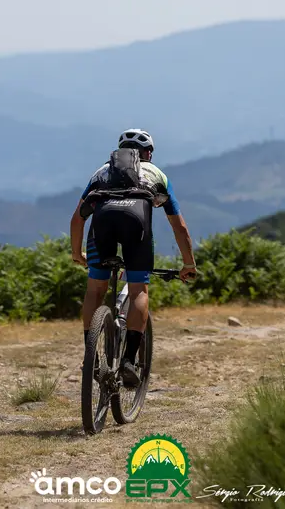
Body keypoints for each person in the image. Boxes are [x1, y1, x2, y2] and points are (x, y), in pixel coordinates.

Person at [70, 128, 197, 388]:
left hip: (101, 227)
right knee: (139, 289)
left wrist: (76, 253)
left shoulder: (101, 172)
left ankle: (90, 355)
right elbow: (179, 227)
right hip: (136, 226)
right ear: (148, 153)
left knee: (95, 290)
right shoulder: (157, 174)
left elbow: (78, 218)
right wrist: (188, 263)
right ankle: (128, 360)